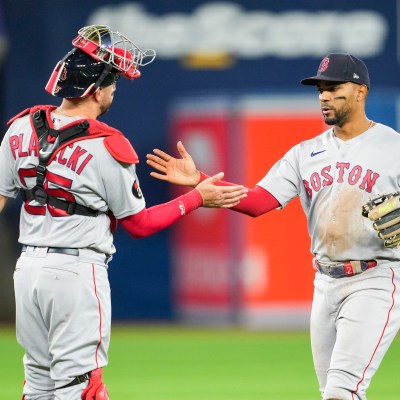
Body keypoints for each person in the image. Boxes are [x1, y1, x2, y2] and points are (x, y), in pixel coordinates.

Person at [0, 25, 248, 400]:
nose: (115, 89)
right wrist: (196, 198)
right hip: (75, 274)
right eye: (113, 82)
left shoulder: (20, 127)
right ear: (96, 90)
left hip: (27, 272)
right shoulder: (107, 144)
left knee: (38, 384)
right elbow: (141, 224)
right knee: (80, 388)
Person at [146, 52, 400, 400]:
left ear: (360, 91)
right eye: (320, 90)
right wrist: (199, 180)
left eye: (334, 88)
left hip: (375, 279)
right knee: (333, 392)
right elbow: (257, 202)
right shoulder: (305, 153)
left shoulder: (392, 147)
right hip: (325, 284)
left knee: (342, 392)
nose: (324, 96)